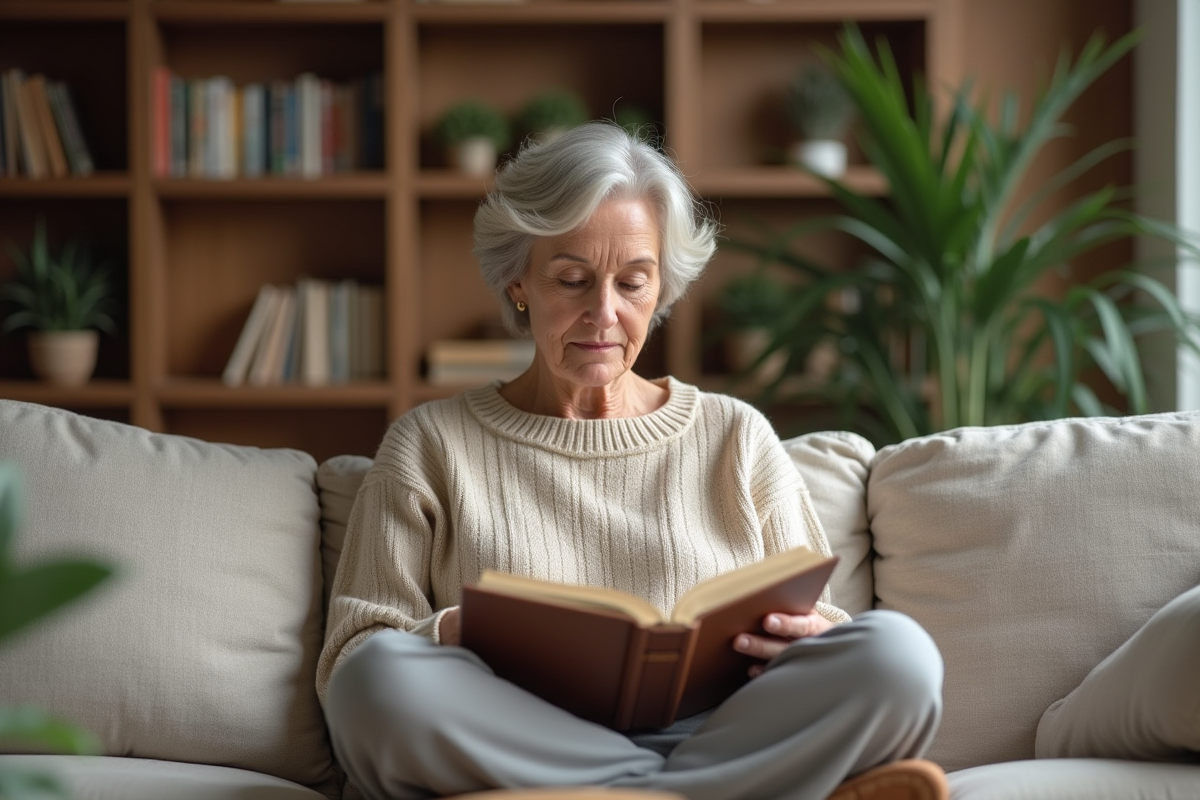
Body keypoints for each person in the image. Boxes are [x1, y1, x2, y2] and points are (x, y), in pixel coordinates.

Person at [317, 121, 945, 800]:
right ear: (518, 282)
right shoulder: (429, 444)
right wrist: (456, 631)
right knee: (376, 683)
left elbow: (823, 627)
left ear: (663, 290)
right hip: (515, 740)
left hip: (724, 733)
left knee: (899, 656)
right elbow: (353, 658)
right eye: (572, 279)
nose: (604, 314)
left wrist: (813, 631)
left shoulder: (736, 435)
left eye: (633, 283)